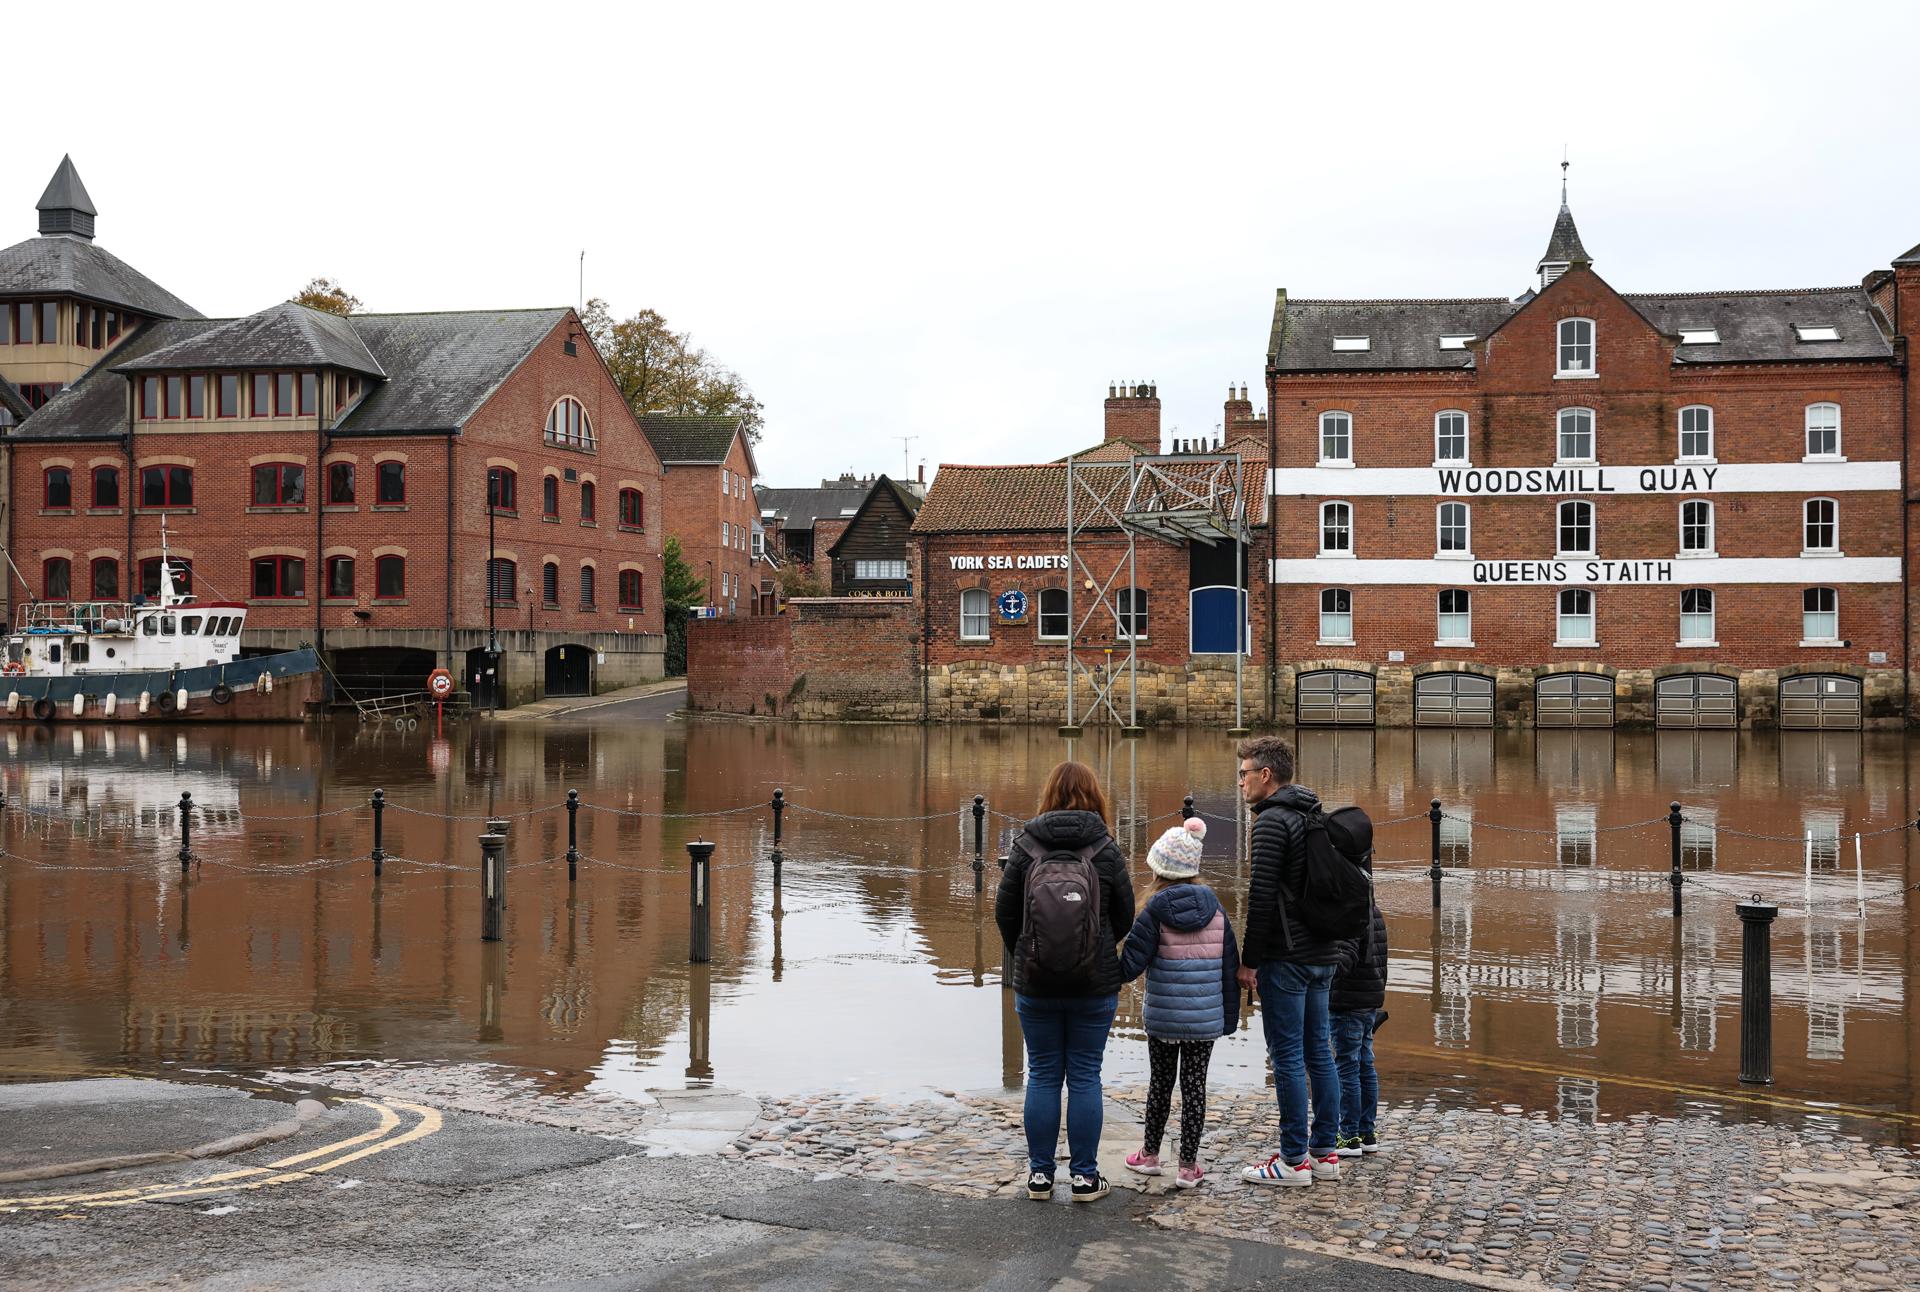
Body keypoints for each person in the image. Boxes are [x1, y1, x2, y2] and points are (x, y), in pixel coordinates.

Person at [995, 760, 1135, 1203]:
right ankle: (1085, 1178)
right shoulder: (1105, 849)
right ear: (1095, 797)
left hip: (1035, 983)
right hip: (1093, 984)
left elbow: (1005, 913)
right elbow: (1125, 916)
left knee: (1042, 1075)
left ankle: (1039, 1177)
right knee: (1084, 1075)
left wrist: (1025, 955)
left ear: (1048, 794)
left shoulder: (1025, 846)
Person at [1235, 734, 1344, 1187]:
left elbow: (1261, 899)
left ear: (1265, 775)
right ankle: (1325, 1154)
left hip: (1288, 955)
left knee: (1286, 1057)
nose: (1239, 783)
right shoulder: (1314, 814)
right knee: (1321, 1052)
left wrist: (1248, 961)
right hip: (1324, 951)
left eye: (1243, 774)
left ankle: (1293, 1161)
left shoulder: (1271, 823)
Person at [1117, 817, 1239, 1189]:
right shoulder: (1217, 910)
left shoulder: (1153, 911)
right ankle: (1188, 1167)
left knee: (1160, 1084)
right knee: (1195, 1088)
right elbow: (1229, 968)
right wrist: (1227, 1020)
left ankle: (1150, 1155)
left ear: (1158, 869)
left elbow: (1129, 966)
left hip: (1164, 1019)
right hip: (1204, 1022)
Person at [1331, 859, 1388, 1158]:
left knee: (1347, 1067)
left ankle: (1348, 1136)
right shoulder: (1375, 913)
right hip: (1369, 1000)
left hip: (1347, 1002)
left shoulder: (1351, 916)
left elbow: (1345, 960)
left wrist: (1323, 974)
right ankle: (1368, 1132)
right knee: (1365, 1064)